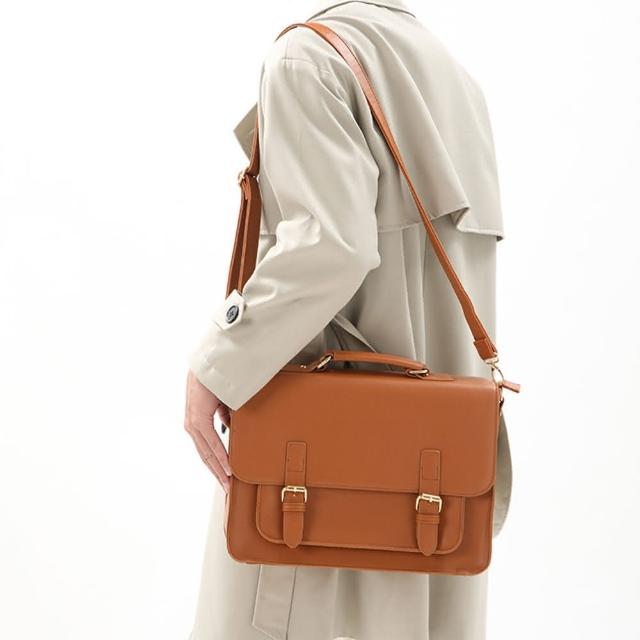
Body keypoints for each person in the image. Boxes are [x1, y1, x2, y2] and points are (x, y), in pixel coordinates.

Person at [184, 1, 512, 638]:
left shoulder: (307, 58)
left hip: (314, 491)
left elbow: (330, 248)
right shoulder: (454, 77)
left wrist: (217, 363)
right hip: (432, 499)